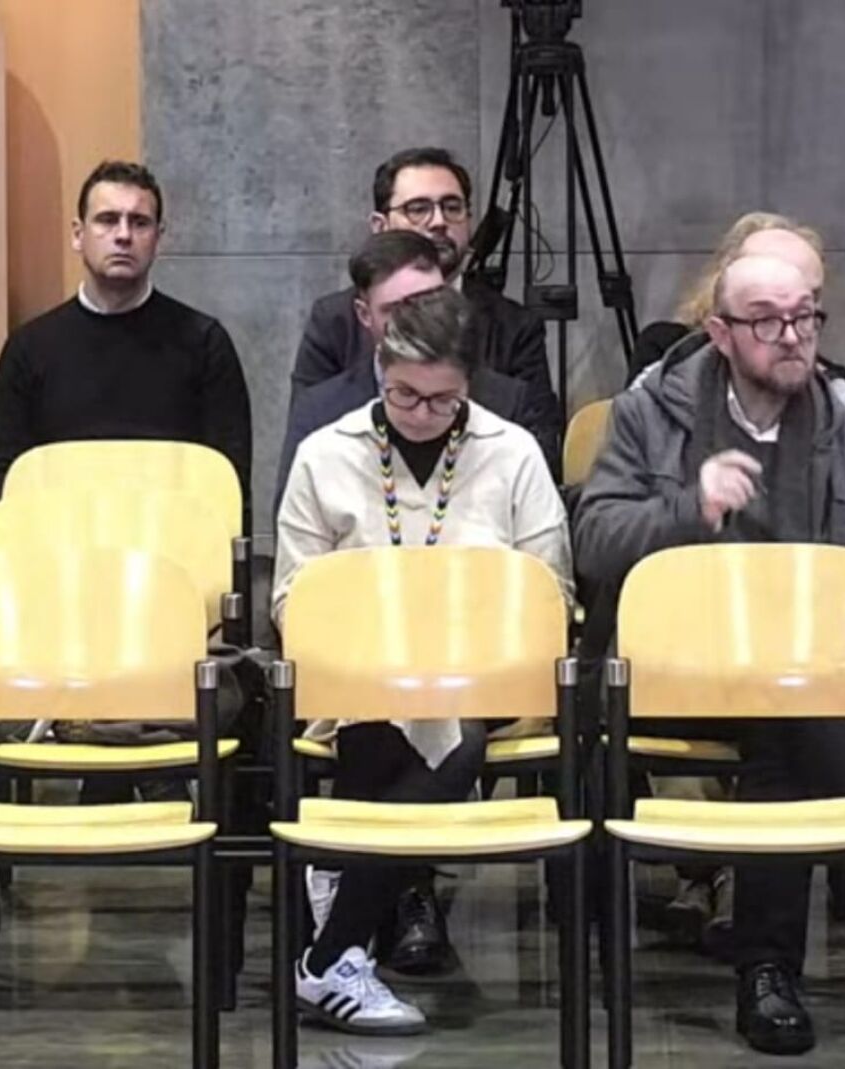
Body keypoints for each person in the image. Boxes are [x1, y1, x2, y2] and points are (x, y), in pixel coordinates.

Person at [574, 255, 845, 1056]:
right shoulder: (651, 412)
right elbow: (595, 541)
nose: (793, 335)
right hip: (677, 670)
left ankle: (770, 970)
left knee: (793, 715)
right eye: (768, 320)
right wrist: (690, 506)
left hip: (805, 665)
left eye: (805, 315)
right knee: (803, 720)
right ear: (719, 331)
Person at [274, 286, 571, 1035]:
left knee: (452, 731)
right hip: (359, 674)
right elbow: (290, 599)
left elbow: (551, 591)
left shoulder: (513, 452)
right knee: (398, 727)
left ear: (469, 385)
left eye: (441, 400)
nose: (418, 412)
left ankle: (334, 938)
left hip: (484, 673)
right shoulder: (325, 453)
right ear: (379, 364)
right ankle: (338, 953)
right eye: (403, 392)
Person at [0, 160, 252, 510]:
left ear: (158, 238)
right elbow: (3, 479)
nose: (123, 235)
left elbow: (228, 480)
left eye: (139, 222)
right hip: (59, 538)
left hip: (171, 538)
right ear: (78, 235)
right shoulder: (29, 348)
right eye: (107, 220)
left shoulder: (205, 344)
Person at [291, 147, 562, 470]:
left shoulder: (514, 325)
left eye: (452, 207)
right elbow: (306, 443)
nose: (439, 222)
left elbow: (541, 458)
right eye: (418, 209)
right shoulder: (335, 321)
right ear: (379, 225)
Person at [276, 229, 553, 510]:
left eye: (429, 302)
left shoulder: (509, 405)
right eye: (396, 309)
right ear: (364, 314)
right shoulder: (320, 413)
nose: (418, 322)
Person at [629, 213, 845, 409]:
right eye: (771, 299)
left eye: (810, 298)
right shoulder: (666, 364)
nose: (792, 332)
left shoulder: (843, 398)